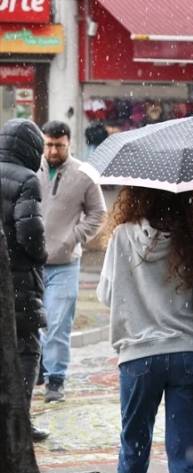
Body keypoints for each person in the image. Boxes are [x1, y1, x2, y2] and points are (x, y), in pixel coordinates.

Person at [97, 186, 193, 473]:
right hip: (187, 353)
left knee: (135, 440)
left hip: (138, 357)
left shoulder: (123, 236)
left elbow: (107, 294)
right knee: (186, 454)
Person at [37, 120, 106, 404]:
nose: (53, 150)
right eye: (49, 144)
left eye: (59, 145)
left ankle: (56, 378)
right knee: (32, 321)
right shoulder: (31, 169)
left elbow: (98, 213)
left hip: (65, 263)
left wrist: (73, 238)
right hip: (33, 261)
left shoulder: (84, 174)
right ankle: (40, 365)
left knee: (58, 322)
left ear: (69, 143)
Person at [0, 119, 49, 442]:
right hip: (18, 277)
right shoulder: (27, 179)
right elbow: (29, 230)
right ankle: (19, 421)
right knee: (27, 348)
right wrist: (39, 255)